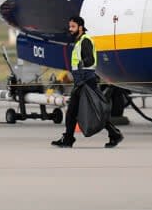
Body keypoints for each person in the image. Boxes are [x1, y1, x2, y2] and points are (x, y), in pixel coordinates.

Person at [52, 16, 123, 148]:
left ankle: (114, 134)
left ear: (80, 27)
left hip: (86, 80)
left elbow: (89, 60)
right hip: (81, 80)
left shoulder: (85, 41)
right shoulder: (79, 42)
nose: (70, 29)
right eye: (70, 26)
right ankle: (69, 138)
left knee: (89, 110)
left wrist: (80, 65)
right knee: (80, 111)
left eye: (73, 27)